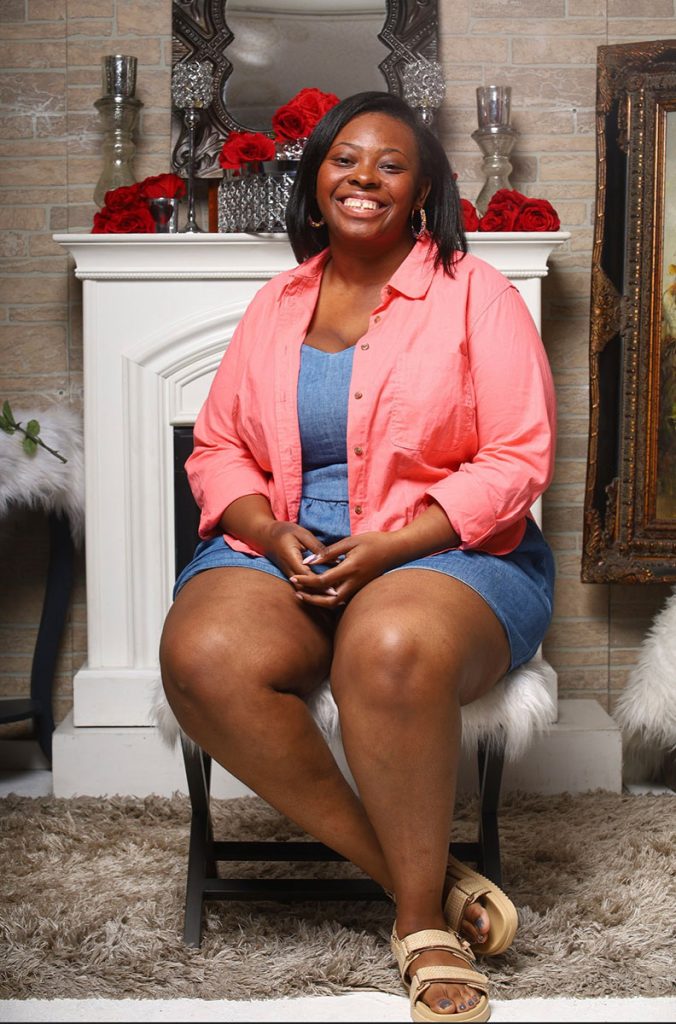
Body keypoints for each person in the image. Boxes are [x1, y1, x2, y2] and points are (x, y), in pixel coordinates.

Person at [160, 91, 556, 1023]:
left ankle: (421, 925)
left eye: (389, 163)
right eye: (344, 159)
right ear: (315, 180)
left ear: (422, 192)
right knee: (203, 655)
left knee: (387, 645)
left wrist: (391, 546)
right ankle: (423, 873)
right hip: (293, 543)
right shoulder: (277, 303)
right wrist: (269, 533)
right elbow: (219, 449)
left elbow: (516, 459)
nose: (363, 177)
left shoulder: (477, 294)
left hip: (446, 547)